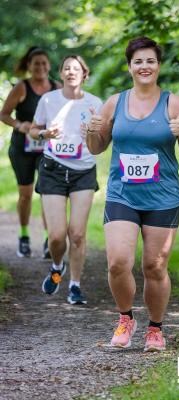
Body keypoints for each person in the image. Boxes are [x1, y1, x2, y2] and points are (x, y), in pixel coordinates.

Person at [86, 37, 179, 351]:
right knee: (118, 263)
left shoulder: (173, 103)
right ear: (129, 66)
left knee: (155, 265)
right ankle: (125, 318)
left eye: (150, 61)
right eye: (138, 61)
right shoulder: (115, 102)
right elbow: (97, 147)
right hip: (123, 194)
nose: (144, 66)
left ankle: (155, 329)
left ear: (158, 66)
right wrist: (90, 131)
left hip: (163, 196)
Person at [30, 55, 102, 305]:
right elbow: (33, 129)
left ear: (85, 73)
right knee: (58, 236)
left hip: (83, 171)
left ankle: (75, 286)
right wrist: (44, 133)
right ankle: (57, 267)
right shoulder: (48, 100)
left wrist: (92, 133)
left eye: (76, 68)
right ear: (60, 73)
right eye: (66, 68)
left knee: (78, 233)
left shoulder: (95, 103)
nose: (71, 72)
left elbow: (100, 144)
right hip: (53, 170)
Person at [0, 47, 61, 258]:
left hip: (48, 149)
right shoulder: (22, 87)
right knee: (25, 195)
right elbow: (4, 114)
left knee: (47, 194)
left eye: (44, 63)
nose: (40, 67)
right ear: (29, 66)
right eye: (36, 63)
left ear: (49, 66)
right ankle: (24, 237)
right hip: (23, 149)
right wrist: (19, 125)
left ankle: (48, 240)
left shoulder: (56, 88)